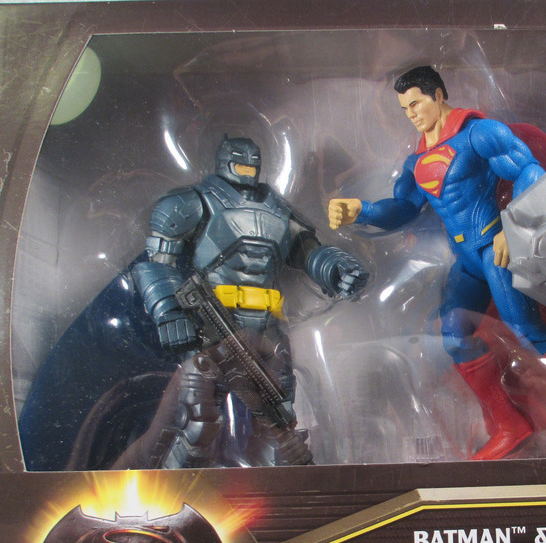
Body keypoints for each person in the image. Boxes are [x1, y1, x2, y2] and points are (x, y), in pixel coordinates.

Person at [328, 66, 546, 459]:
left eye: (416, 103)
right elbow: (404, 208)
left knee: (524, 327)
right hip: (466, 261)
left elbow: (529, 169)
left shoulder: (478, 133)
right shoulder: (416, 160)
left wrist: (515, 225)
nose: (411, 114)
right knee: (452, 333)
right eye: (404, 108)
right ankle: (508, 424)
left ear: (438, 94)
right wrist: (361, 210)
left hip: (494, 249)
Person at [119, 135, 368, 469]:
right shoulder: (194, 201)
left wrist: (337, 269)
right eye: (240, 162)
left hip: (267, 333)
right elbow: (156, 263)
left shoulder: (277, 209)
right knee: (197, 427)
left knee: (280, 429)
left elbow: (308, 251)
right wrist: (169, 311)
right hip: (212, 329)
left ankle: (284, 494)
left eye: (253, 163)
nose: (247, 169)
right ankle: (173, 489)